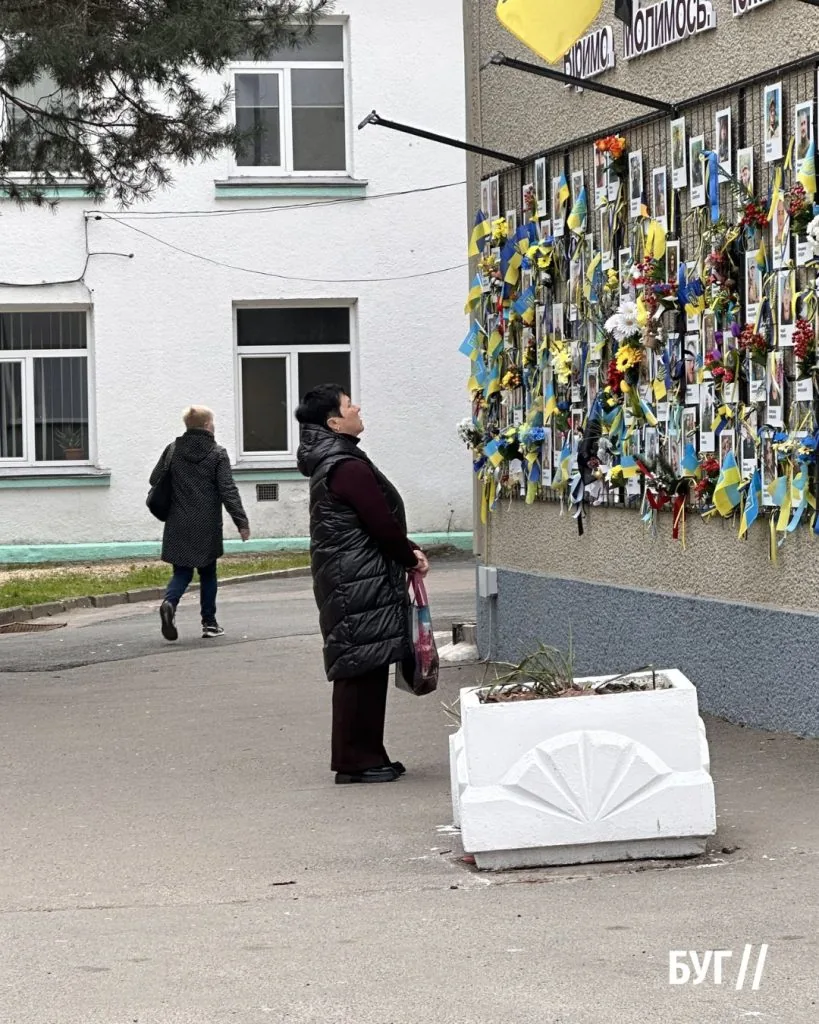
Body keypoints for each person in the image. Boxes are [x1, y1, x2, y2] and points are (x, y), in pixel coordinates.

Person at [296, 384, 429, 786]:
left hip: (351, 573)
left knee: (365, 665)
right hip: (355, 576)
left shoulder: (339, 459)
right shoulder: (344, 465)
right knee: (360, 666)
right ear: (334, 422)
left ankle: (368, 755)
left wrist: (406, 549)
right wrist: (408, 556)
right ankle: (355, 760)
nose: (357, 408)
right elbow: (379, 521)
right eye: (348, 405)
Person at [152, 406, 250, 641]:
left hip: (178, 521)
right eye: (213, 422)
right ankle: (209, 623)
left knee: (182, 571)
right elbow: (228, 490)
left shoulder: (173, 450)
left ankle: (169, 602)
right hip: (206, 524)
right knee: (208, 573)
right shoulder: (217, 453)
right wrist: (241, 522)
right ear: (207, 425)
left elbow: (155, 478)